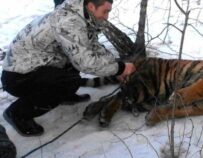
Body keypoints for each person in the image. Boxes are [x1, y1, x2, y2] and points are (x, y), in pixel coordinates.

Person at [1, 0, 136, 136]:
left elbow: (92, 47)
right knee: (68, 82)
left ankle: (62, 95)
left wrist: (116, 65)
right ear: (91, 6)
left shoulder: (83, 15)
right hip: (17, 77)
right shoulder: (69, 21)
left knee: (73, 64)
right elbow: (85, 62)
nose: (107, 16)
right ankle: (17, 113)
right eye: (105, 11)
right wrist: (119, 68)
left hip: (38, 64)